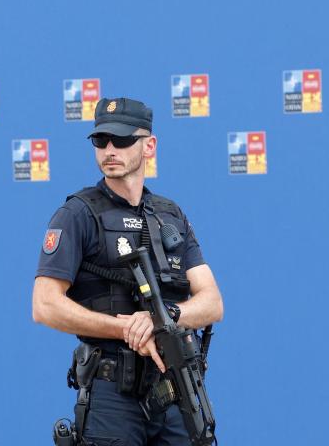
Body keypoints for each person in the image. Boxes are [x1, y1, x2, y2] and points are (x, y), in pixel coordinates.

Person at [32, 97, 224, 446]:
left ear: (149, 145)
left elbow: (212, 303)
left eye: (121, 140)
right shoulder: (77, 214)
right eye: (101, 141)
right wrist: (124, 327)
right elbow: (44, 305)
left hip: (175, 389)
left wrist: (164, 317)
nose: (109, 149)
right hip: (112, 395)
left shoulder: (171, 215)